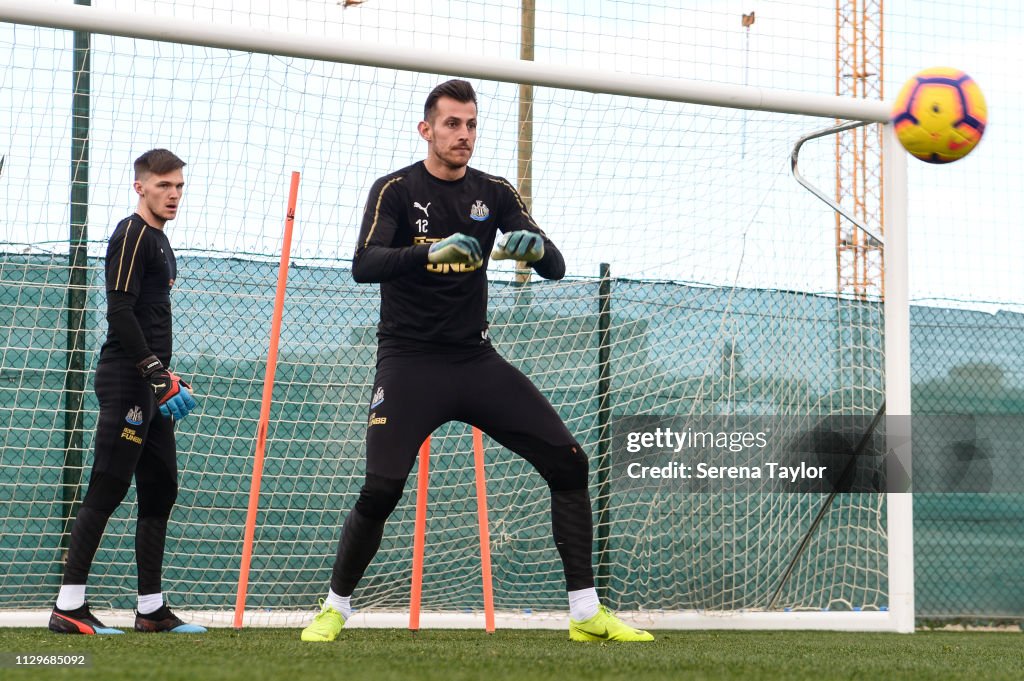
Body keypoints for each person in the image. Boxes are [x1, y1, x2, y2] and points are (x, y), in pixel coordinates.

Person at [300, 80, 652, 643]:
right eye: (451, 124)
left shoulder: (495, 191)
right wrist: (429, 252)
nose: (463, 135)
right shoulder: (394, 189)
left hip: (474, 361)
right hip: (409, 363)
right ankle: (335, 606)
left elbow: (555, 266)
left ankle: (586, 615)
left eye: (470, 125)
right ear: (427, 130)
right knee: (382, 489)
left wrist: (535, 250)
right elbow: (364, 263)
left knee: (569, 464)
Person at [49, 149, 205, 635]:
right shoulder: (131, 234)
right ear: (141, 187)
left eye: (179, 185)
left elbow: (152, 316)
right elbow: (119, 312)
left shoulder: (160, 240)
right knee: (110, 483)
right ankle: (67, 607)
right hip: (127, 378)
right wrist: (155, 373)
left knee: (161, 487)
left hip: (154, 382)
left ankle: (151, 610)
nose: (174, 194)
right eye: (164, 186)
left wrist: (166, 376)